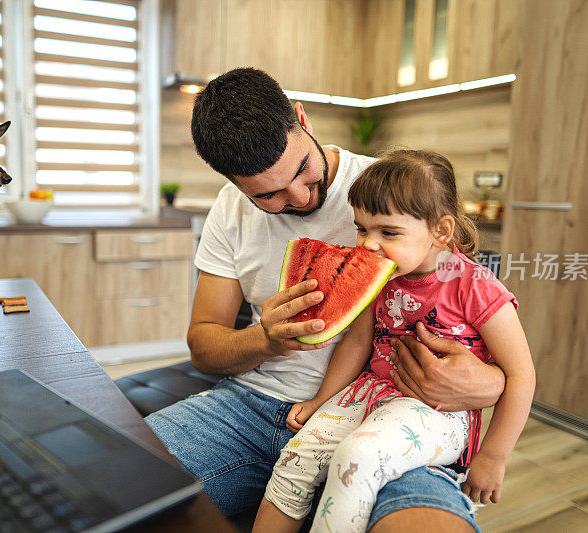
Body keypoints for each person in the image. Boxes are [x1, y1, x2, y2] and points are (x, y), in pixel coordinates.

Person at [145, 68, 506, 532]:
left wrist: (492, 384)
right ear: (236, 185)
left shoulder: (389, 190)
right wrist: (265, 340)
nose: (297, 196)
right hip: (247, 407)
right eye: (268, 194)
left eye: (300, 170)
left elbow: (465, 311)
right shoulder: (228, 210)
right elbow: (204, 347)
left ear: (302, 118)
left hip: (383, 410)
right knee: (112, 483)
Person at [253, 151, 536, 533]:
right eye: (362, 229)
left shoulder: (476, 286)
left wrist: (493, 457)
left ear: (441, 231)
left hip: (440, 412)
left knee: (359, 455)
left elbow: (521, 375)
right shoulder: (383, 275)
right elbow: (356, 345)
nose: (368, 245)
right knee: (295, 459)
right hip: (369, 393)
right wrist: (322, 400)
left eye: (388, 232)